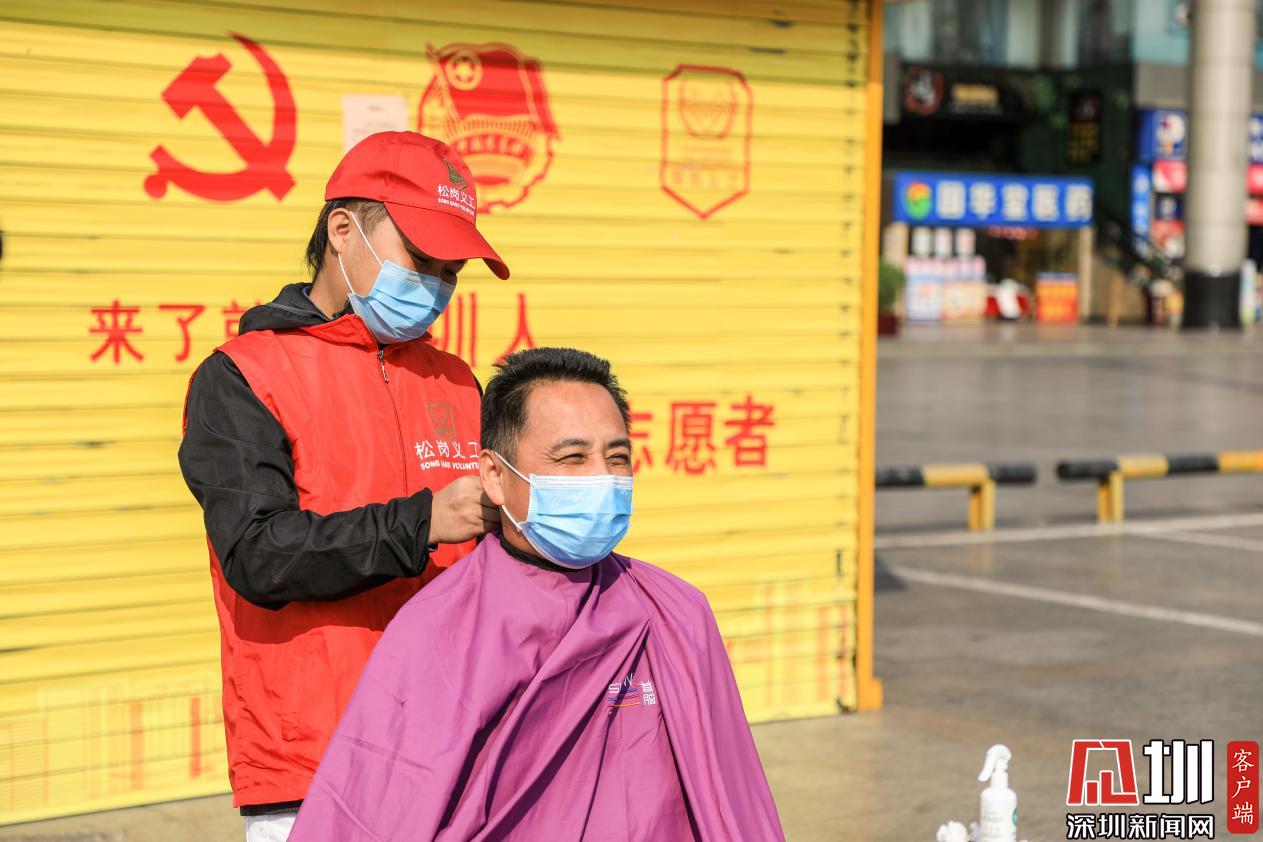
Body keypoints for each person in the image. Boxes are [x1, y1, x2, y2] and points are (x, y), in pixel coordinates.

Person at [288, 347, 785, 841]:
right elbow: (371, 816)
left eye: (617, 457)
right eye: (572, 457)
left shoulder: (676, 611)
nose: (603, 477)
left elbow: (735, 802)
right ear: (494, 476)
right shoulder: (438, 631)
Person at [178, 132, 506, 841]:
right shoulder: (244, 375)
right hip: (314, 765)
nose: (436, 285)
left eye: (451, 271)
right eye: (421, 259)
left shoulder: (455, 381)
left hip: (456, 748)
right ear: (342, 230)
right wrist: (420, 523)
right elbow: (258, 554)